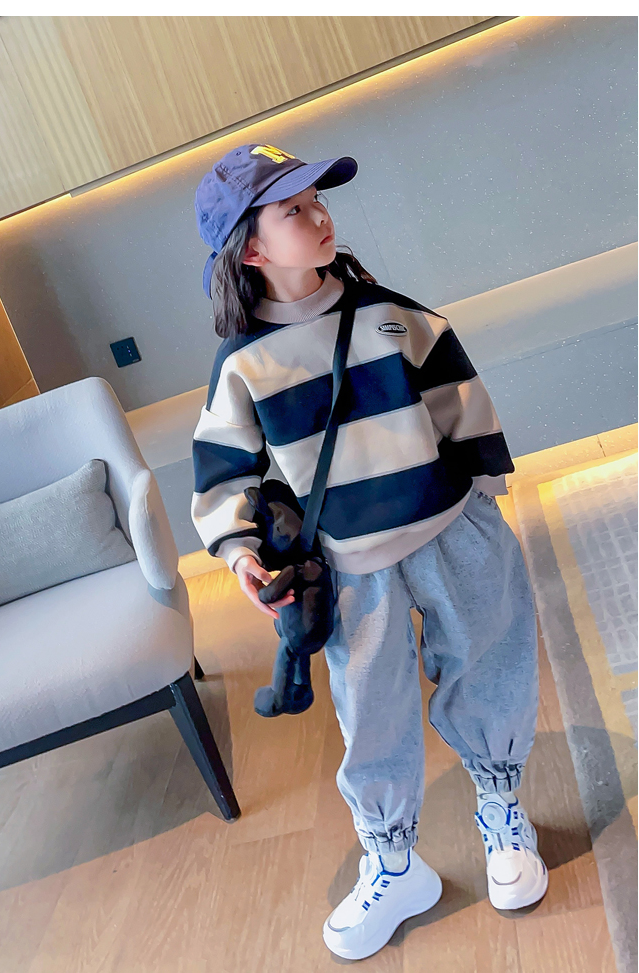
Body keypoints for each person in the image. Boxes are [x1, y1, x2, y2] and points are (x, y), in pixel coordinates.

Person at [190, 143, 547, 962]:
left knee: (491, 663)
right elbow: (222, 471)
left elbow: (460, 399)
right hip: (353, 567)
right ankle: (395, 864)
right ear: (251, 250)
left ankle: (502, 811)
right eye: (293, 209)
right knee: (371, 714)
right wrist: (240, 553)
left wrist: (487, 494)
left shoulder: (393, 315)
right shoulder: (244, 365)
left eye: (318, 200)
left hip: (450, 529)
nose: (319, 216)